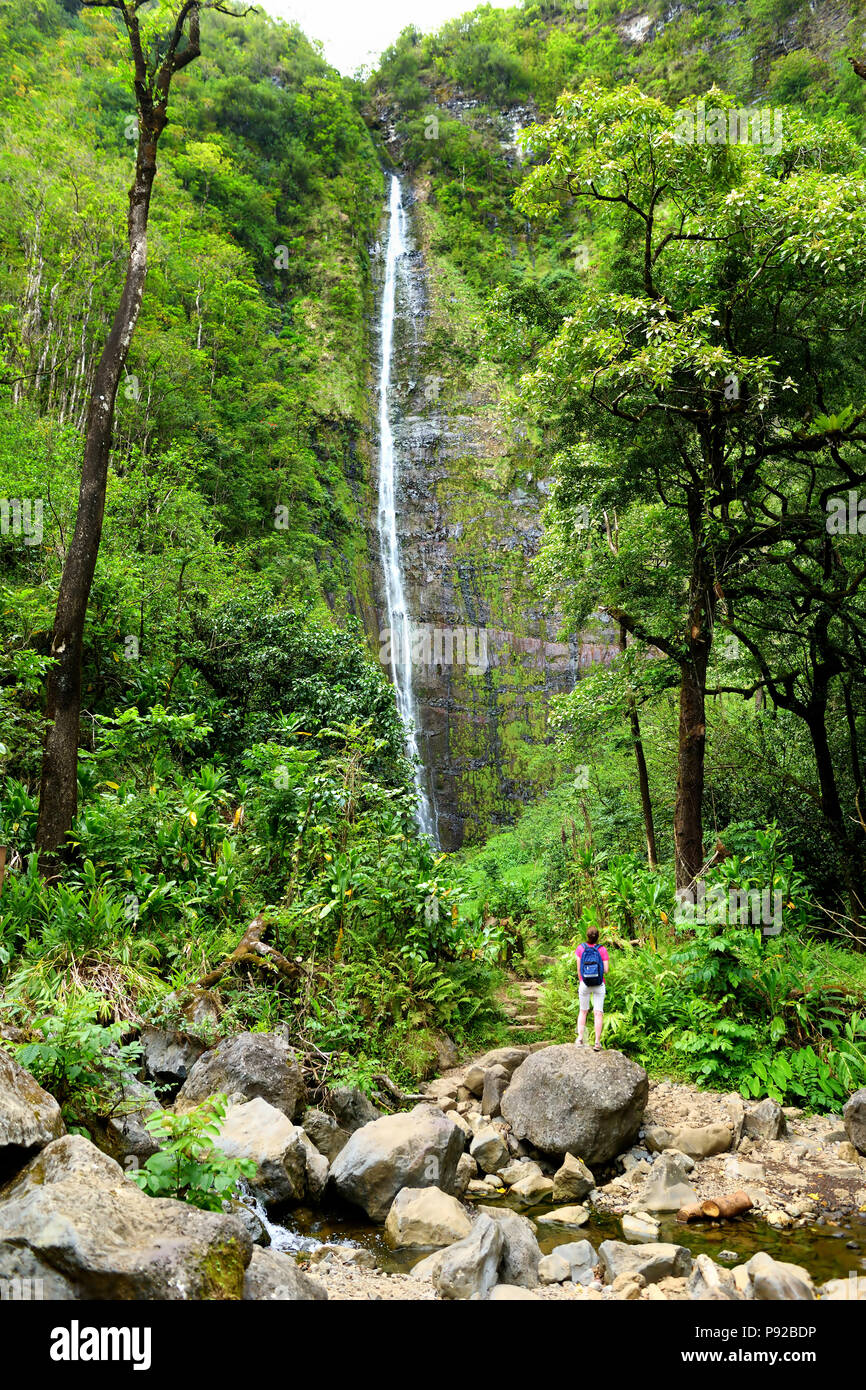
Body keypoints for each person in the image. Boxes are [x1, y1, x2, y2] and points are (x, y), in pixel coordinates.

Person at [575, 925, 608, 1052]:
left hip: (585, 984)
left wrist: (583, 980)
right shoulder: (602, 949)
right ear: (598, 937)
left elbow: (579, 969)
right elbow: (606, 970)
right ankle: (597, 1043)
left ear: (587, 936)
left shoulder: (580, 948)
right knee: (598, 1013)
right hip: (599, 984)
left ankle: (580, 1039)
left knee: (583, 1011)